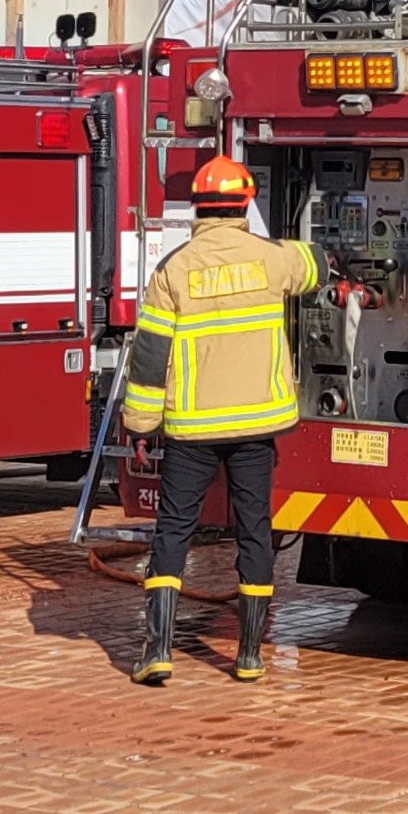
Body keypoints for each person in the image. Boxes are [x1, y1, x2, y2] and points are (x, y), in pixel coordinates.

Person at [121, 155, 319, 687]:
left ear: (197, 209)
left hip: (193, 429)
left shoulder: (174, 271)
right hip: (256, 426)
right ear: (244, 202)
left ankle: (157, 650)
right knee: (254, 531)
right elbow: (316, 263)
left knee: (174, 531)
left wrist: (140, 427)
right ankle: (250, 655)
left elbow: (148, 356)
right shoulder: (274, 259)